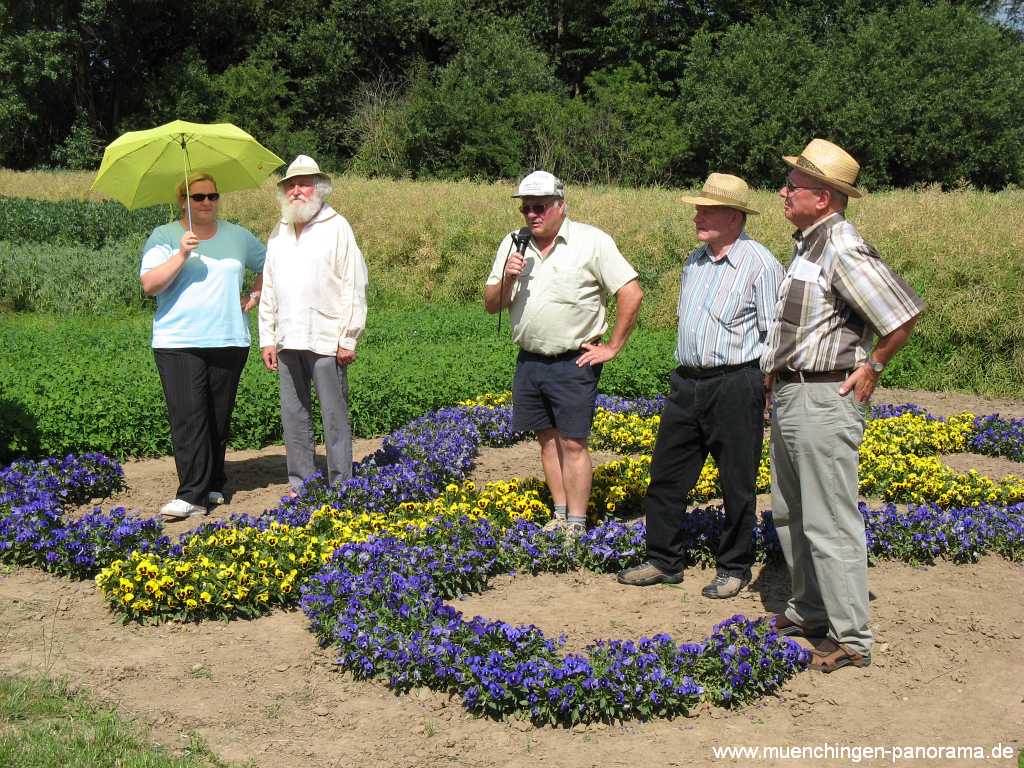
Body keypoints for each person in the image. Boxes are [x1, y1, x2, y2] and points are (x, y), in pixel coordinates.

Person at [761, 139, 924, 672]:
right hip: (792, 392)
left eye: (794, 186)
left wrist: (872, 365)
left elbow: (899, 316)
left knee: (829, 520)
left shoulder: (842, 246)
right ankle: (808, 610)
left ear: (825, 198)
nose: (784, 192)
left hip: (824, 397)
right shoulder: (809, 243)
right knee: (791, 512)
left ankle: (852, 637)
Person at [618, 174, 784, 597]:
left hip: (735, 383)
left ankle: (734, 567)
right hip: (687, 382)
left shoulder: (761, 264)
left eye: (705, 210)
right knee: (666, 475)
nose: (697, 216)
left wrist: (764, 391)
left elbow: (774, 336)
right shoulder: (694, 261)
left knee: (737, 481)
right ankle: (663, 559)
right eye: (698, 209)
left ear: (733, 216)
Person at [484, 170, 644, 535]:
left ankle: (577, 521)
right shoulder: (512, 244)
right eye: (525, 208)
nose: (531, 215)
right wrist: (508, 278)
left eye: (539, 207)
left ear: (560, 206)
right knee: (546, 439)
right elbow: (491, 305)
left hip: (574, 360)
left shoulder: (592, 241)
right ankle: (559, 515)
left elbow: (631, 293)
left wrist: (613, 346)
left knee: (573, 442)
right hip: (530, 360)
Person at [140, 171, 266, 521]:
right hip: (178, 341)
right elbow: (150, 285)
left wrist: (255, 294)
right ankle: (192, 495)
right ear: (183, 201)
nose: (207, 202)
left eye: (213, 195)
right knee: (189, 416)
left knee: (216, 416)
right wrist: (180, 254)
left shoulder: (238, 236)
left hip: (228, 338)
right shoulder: (164, 237)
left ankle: (213, 482)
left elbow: (271, 264)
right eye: (198, 197)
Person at [258, 155, 368, 494]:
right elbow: (270, 287)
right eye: (290, 185)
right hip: (289, 339)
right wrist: (267, 337)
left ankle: (341, 485)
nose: (296, 190)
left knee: (334, 417)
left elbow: (354, 282)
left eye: (303, 183)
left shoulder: (337, 227)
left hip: (326, 338)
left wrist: (348, 337)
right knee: (294, 417)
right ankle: (301, 484)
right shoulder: (279, 232)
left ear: (318, 188)